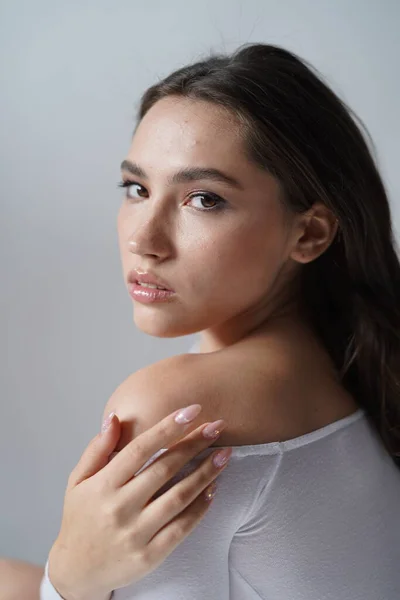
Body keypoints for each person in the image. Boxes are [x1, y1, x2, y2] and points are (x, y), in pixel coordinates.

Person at [31, 42, 399, 598]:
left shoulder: (178, 410)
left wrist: (69, 579)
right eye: (138, 188)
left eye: (203, 199)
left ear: (309, 234)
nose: (142, 239)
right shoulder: (338, 367)